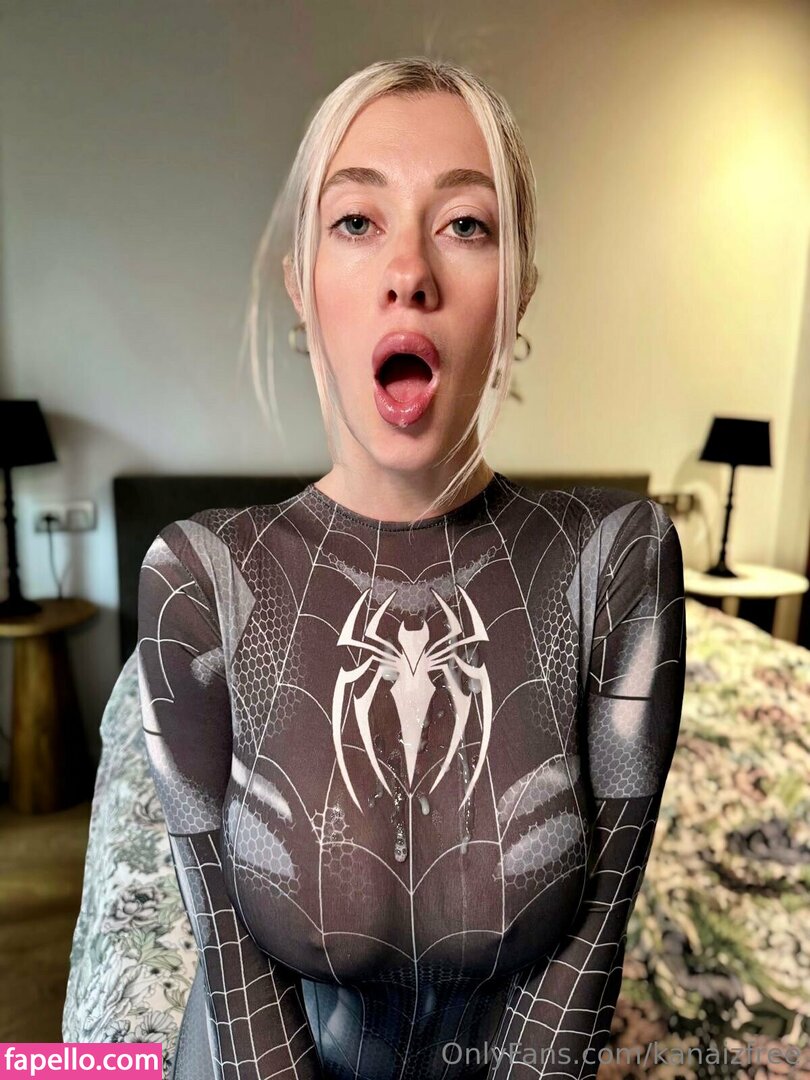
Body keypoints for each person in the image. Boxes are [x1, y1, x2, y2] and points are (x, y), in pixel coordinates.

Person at [137, 56, 686, 1080]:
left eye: (465, 225)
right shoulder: (200, 575)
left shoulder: (618, 559)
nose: (410, 272)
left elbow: (586, 966)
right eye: (356, 221)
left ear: (519, 290)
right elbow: (234, 979)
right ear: (301, 284)